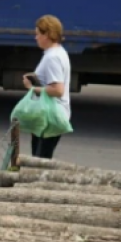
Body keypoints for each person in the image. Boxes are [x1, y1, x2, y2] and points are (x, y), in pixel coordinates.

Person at [23, 15, 71, 159]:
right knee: (41, 157)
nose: (35, 38)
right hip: (52, 115)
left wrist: (32, 88)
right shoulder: (58, 52)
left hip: (50, 118)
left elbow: (57, 90)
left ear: (47, 35)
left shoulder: (52, 58)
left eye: (38, 34)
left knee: (40, 160)